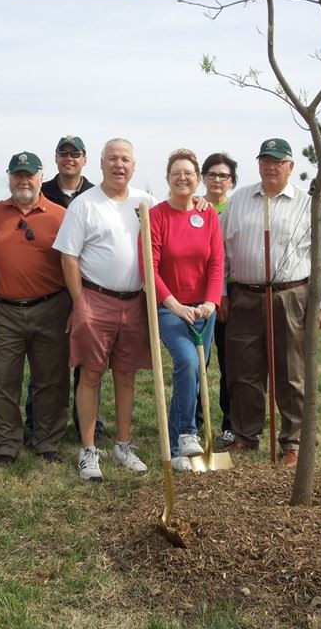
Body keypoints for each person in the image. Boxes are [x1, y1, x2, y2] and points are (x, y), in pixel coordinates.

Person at [219, 138, 321, 468]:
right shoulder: (240, 200)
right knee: (243, 370)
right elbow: (220, 252)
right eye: (265, 161)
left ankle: (293, 442)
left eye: (278, 161)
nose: (270, 167)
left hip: (291, 296)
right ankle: (245, 434)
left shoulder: (305, 204)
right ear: (258, 164)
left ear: (290, 167)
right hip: (245, 296)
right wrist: (223, 293)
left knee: (291, 372)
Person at [53, 138, 155, 481]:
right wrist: (79, 302)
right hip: (95, 299)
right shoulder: (85, 204)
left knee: (126, 375)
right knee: (91, 374)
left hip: (136, 301)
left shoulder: (145, 202)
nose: (119, 165)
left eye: (125, 159)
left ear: (134, 165)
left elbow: (172, 221)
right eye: (113, 158)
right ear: (101, 163)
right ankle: (88, 449)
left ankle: (123, 445)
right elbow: (68, 256)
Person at [0, 152, 70, 465]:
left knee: (51, 379)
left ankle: (47, 440)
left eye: (30, 174)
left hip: (51, 307)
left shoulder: (61, 215)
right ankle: (6, 444)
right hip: (4, 311)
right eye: (18, 174)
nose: (24, 180)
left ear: (41, 177)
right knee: (3, 381)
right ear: (9, 177)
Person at [141, 149, 225, 472]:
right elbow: (150, 267)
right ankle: (187, 433)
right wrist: (173, 305)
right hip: (169, 307)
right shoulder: (157, 216)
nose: (183, 177)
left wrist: (210, 302)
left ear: (197, 178)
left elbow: (217, 262)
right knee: (188, 362)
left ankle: (178, 444)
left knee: (193, 372)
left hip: (203, 310)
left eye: (189, 172)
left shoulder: (208, 216)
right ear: (167, 178)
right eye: (176, 172)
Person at [24, 135, 104, 442]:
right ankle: (38, 423)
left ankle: (88, 424)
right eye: (63, 153)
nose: (69, 158)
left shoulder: (97, 195)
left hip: (92, 288)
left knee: (89, 362)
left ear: (85, 159)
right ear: (55, 159)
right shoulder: (40, 193)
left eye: (76, 153)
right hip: (50, 288)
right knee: (47, 363)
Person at [200, 152, 239, 449]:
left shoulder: (237, 208)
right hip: (196, 297)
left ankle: (229, 424)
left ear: (232, 181)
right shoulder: (193, 206)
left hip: (228, 295)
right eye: (212, 174)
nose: (217, 180)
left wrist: (223, 293)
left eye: (223, 175)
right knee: (199, 362)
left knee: (230, 361)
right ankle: (195, 420)